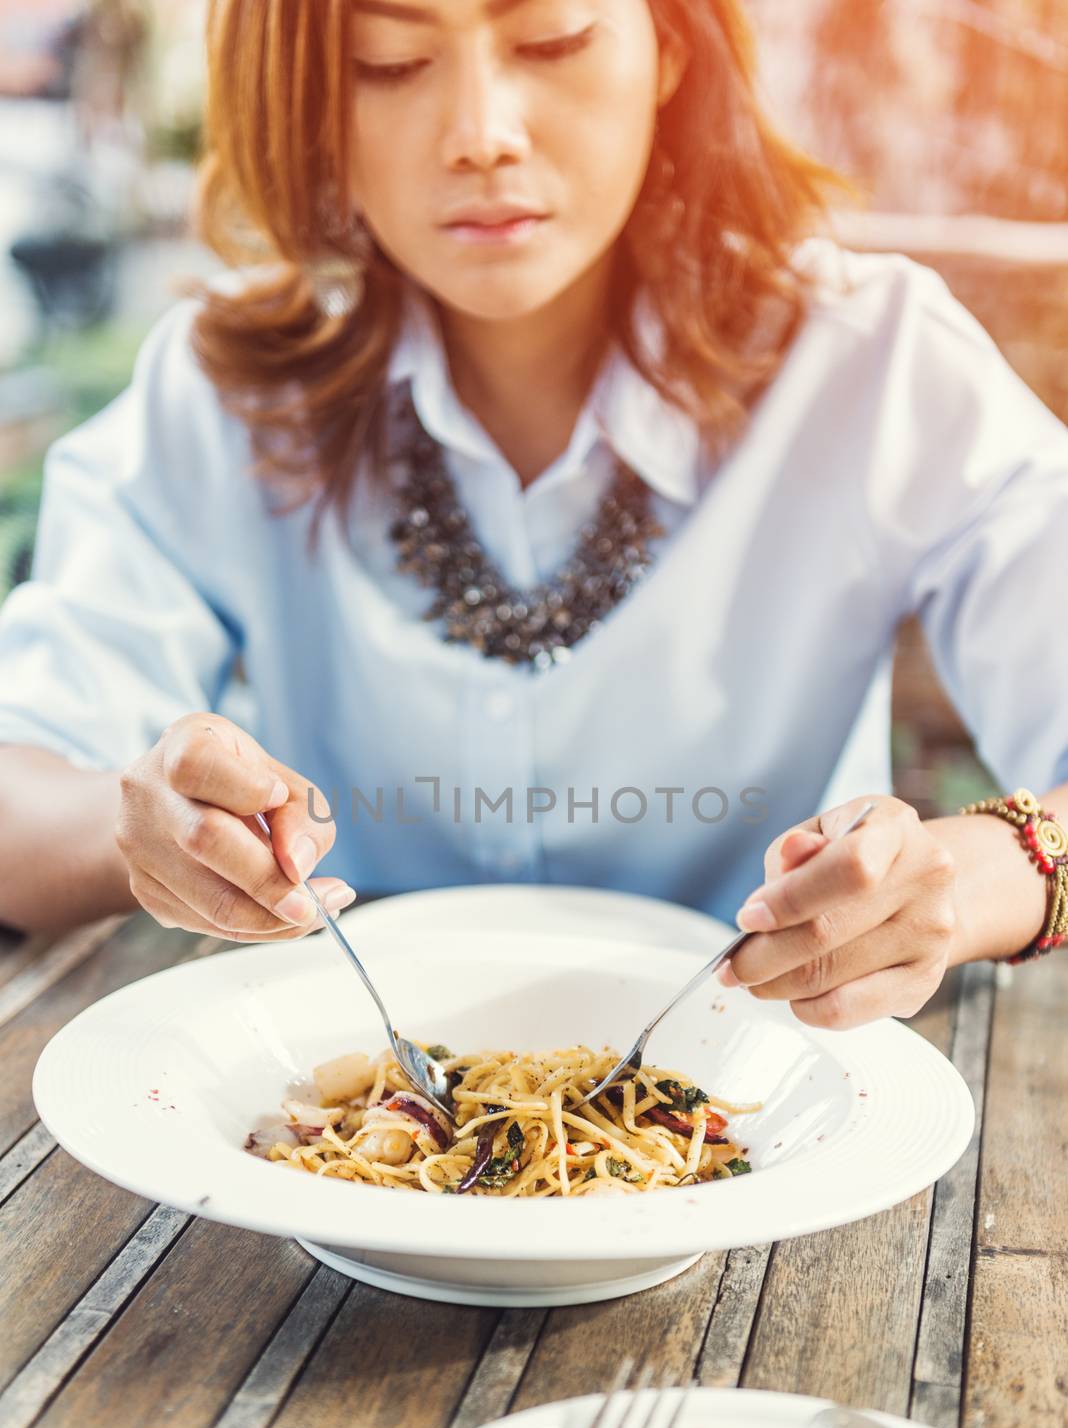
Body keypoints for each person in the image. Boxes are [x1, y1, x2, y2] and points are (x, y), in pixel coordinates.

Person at [0, 0, 1065, 1033]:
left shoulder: (875, 366)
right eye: (389, 60)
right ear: (309, 96)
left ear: (672, 47)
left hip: (769, 1096)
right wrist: (142, 829)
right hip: (353, 1108)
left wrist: (967, 879)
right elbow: (19, 788)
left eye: (550, 39)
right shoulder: (223, 394)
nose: (482, 136)